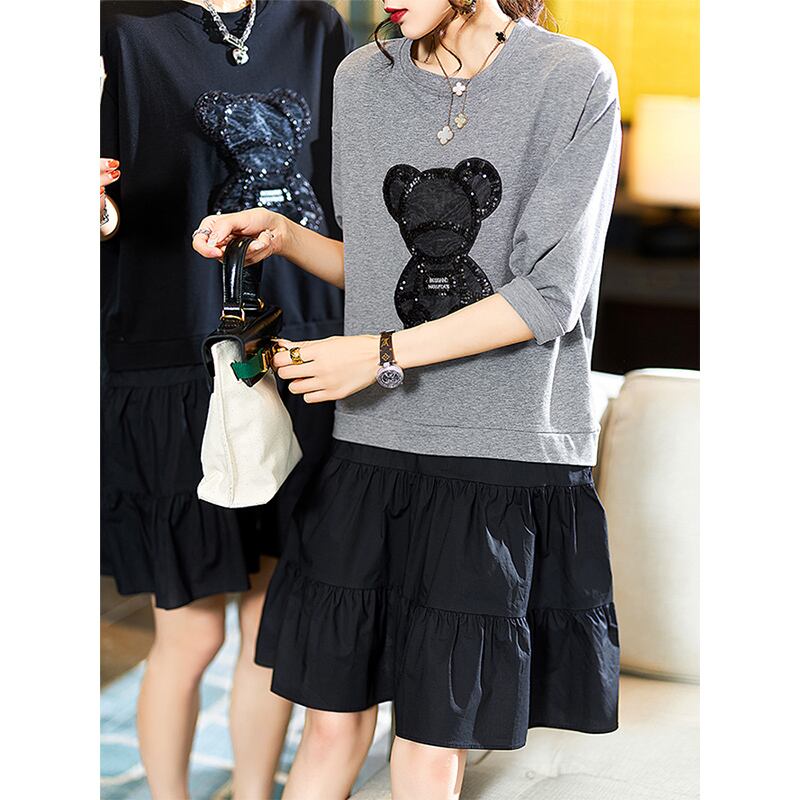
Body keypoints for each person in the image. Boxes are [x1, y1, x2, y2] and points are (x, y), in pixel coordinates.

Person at [193, 1, 622, 798]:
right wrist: (284, 233)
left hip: (498, 455)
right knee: (329, 723)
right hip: (374, 444)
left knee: (430, 739)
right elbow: (378, 266)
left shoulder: (571, 78)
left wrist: (379, 356)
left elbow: (549, 295)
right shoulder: (363, 77)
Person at [100, 2, 353, 798]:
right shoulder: (120, 27)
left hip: (305, 350)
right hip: (173, 359)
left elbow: (344, 186)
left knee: (271, 625)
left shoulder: (315, 26)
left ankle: (251, 790)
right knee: (191, 632)